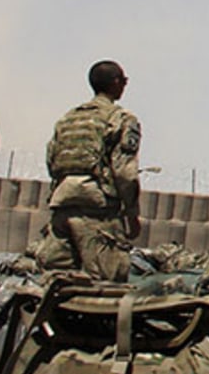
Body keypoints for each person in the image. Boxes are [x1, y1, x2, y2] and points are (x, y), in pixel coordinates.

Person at [43, 60, 142, 281]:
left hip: (62, 204)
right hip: (98, 209)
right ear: (116, 82)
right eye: (124, 81)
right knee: (108, 282)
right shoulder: (121, 118)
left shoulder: (68, 118)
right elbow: (124, 172)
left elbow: (52, 159)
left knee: (57, 281)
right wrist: (132, 213)